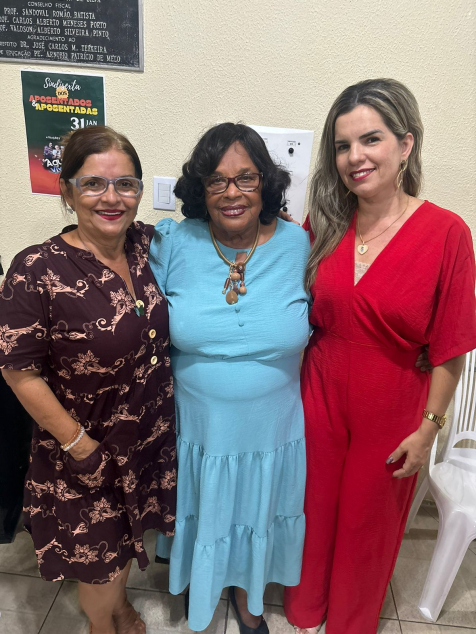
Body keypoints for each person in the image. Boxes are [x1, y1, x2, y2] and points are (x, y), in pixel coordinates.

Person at [283, 78, 476, 634]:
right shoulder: (324, 222)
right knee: (312, 508)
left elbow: (451, 346)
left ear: (405, 144)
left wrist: (430, 428)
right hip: (317, 394)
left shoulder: (447, 233)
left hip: (392, 404)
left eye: (371, 139)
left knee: (368, 523)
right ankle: (304, 609)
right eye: (343, 146)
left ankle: (349, 621)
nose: (355, 157)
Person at [0, 125, 177, 634]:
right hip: (83, 449)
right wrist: (79, 445)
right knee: (97, 557)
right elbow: (17, 370)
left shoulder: (146, 246)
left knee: (125, 539)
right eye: (94, 183)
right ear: (67, 190)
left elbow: (211, 235)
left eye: (126, 184)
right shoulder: (36, 268)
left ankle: (119, 608)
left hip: (144, 439)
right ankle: (104, 623)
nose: (112, 197)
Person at [149, 122, 310, 633]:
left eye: (246, 177)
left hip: (272, 430)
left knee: (257, 511)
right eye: (216, 180)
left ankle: (248, 596)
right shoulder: (173, 242)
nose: (232, 192)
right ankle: (201, 580)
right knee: (204, 507)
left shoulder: (299, 246)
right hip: (197, 428)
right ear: (200, 189)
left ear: (266, 182)